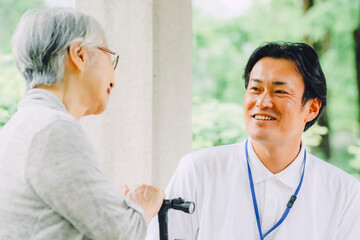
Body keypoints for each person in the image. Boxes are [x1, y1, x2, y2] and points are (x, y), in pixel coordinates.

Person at [146, 42, 360, 240]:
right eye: (255, 89)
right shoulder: (198, 170)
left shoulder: (345, 193)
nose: (263, 102)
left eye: (280, 91)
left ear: (312, 108)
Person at [0, 8, 165, 240]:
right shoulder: (53, 130)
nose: (114, 80)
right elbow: (121, 234)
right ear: (79, 54)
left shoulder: (19, 126)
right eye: (110, 56)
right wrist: (143, 204)